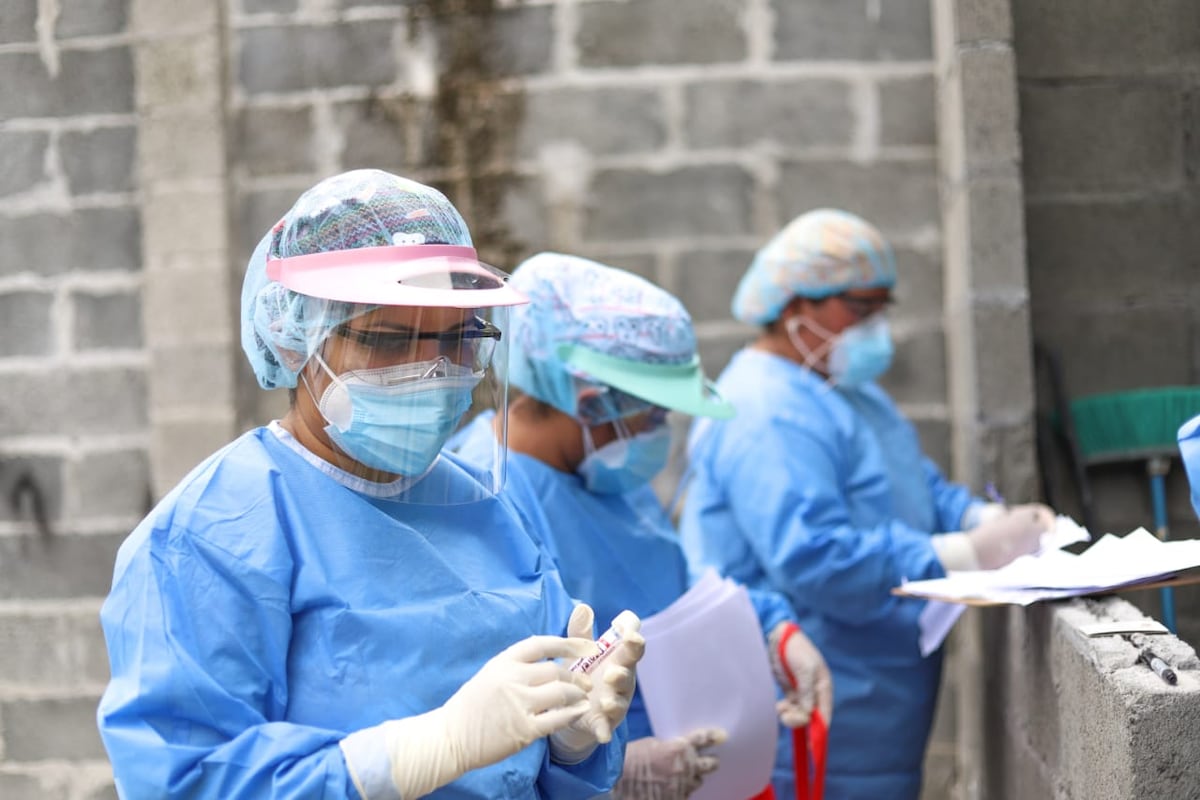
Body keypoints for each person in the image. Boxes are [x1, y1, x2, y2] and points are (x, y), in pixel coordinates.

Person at [96, 170, 644, 799]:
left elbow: (532, 772)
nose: (434, 368)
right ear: (297, 335)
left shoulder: (484, 508)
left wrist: (570, 743)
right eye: (392, 339)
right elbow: (185, 780)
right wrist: (420, 751)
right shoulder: (211, 536)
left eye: (459, 338)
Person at [677, 209, 1057, 799]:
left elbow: (914, 483)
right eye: (859, 308)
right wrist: (962, 552)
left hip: (877, 719)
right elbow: (813, 557)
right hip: (805, 715)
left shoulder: (848, 391)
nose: (875, 324)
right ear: (794, 304)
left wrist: (977, 518)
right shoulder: (765, 410)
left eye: (883, 306)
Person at [450, 252, 834, 799]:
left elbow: (669, 580)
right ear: (591, 403)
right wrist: (613, 770)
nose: (660, 431)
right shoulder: (486, 500)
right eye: (653, 415)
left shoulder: (605, 475)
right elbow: (490, 710)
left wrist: (771, 628)